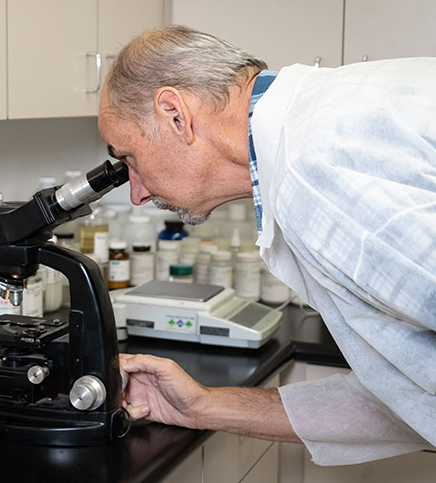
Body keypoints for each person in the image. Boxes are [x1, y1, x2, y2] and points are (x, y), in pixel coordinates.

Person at [98, 25, 436, 466]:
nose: (137, 193)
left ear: (174, 113)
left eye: (129, 159)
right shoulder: (332, 107)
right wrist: (201, 406)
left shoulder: (312, 171)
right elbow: (412, 392)